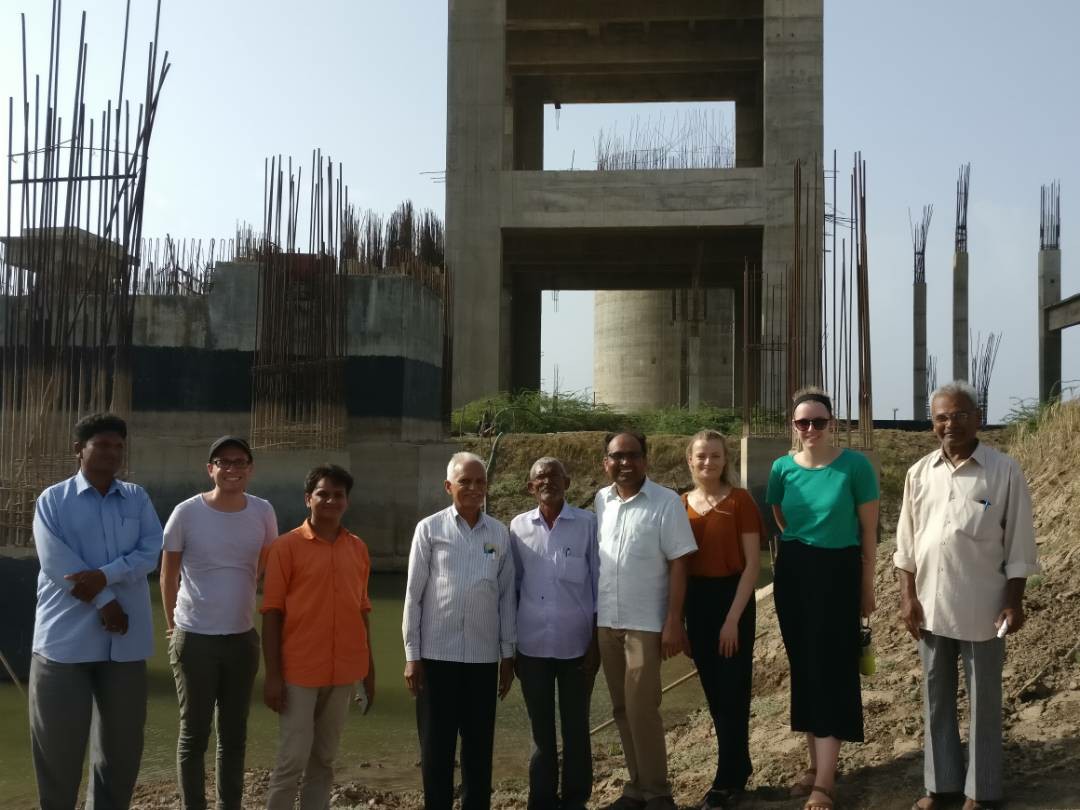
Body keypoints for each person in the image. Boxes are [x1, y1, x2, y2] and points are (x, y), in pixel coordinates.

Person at [895, 382, 1040, 810]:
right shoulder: (919, 472)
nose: (949, 424)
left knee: (984, 700)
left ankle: (983, 791)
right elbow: (906, 545)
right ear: (932, 424)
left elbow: (1019, 544)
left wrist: (1015, 600)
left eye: (959, 415)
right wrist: (908, 597)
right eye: (941, 417)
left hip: (984, 605)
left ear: (977, 418)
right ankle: (941, 787)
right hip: (930, 606)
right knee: (936, 695)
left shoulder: (1003, 470)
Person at [29, 412, 163, 810]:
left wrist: (106, 575)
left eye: (118, 446)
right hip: (63, 646)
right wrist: (106, 601)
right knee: (58, 752)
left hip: (124, 646)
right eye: (102, 444)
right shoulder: (52, 500)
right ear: (79, 450)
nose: (112, 453)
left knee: (121, 753)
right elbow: (58, 565)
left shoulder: (137, 498)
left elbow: (150, 551)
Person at [766, 389, 879, 810]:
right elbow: (780, 517)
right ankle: (815, 766)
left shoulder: (855, 466)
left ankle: (826, 782)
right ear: (793, 426)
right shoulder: (781, 467)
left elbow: (868, 531)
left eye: (819, 421)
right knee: (806, 668)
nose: (811, 429)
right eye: (803, 422)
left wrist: (866, 586)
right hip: (795, 572)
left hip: (839, 573)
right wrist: (802, 546)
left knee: (832, 669)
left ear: (833, 423)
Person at [160, 436, 279, 810]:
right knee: (193, 734)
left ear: (250, 469)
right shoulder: (186, 512)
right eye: (223, 462)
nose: (232, 469)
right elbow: (168, 575)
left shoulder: (262, 511)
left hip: (242, 639)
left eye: (240, 462)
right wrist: (172, 626)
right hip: (194, 636)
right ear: (210, 469)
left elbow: (265, 564)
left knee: (234, 734)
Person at [402, 451, 516, 810]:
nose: (473, 488)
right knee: (436, 749)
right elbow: (413, 596)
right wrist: (411, 655)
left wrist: (507, 655)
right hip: (436, 657)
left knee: (479, 747)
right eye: (464, 481)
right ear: (448, 486)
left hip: (482, 659)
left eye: (480, 481)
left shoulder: (499, 533)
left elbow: (506, 599)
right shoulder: (430, 529)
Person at [261, 464, 375, 810]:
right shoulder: (286, 547)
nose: (330, 500)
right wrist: (273, 676)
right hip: (299, 671)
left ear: (347, 502)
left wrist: (369, 672)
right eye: (323, 493)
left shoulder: (357, 549)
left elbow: (363, 611)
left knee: (324, 759)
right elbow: (271, 613)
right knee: (291, 760)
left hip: (343, 672)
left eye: (338, 495)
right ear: (308, 498)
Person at [595, 431, 698, 810]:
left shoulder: (666, 502)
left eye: (632, 456)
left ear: (645, 459)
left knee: (642, 708)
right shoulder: (601, 501)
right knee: (621, 709)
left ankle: (658, 791)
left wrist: (674, 620)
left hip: (645, 623)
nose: (624, 463)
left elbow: (679, 563)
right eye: (616, 457)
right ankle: (636, 785)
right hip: (607, 621)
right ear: (605, 462)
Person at [509, 456, 600, 810]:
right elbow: (512, 588)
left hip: (577, 645)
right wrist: (511, 647)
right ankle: (542, 799)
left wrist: (596, 643)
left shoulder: (587, 524)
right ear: (531, 487)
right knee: (540, 730)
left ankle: (576, 798)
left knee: (576, 727)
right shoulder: (517, 527)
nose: (547, 481)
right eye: (540, 477)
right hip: (532, 646)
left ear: (568, 482)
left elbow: (597, 582)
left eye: (554, 476)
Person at [681, 430, 762, 809]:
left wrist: (733, 619)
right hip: (697, 603)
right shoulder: (680, 505)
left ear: (725, 460)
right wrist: (677, 620)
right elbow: (677, 569)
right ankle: (739, 764)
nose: (707, 463)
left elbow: (752, 567)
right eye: (701, 456)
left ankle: (725, 779)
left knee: (733, 692)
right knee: (715, 694)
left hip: (734, 601)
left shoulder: (741, 500)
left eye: (715, 456)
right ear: (690, 461)